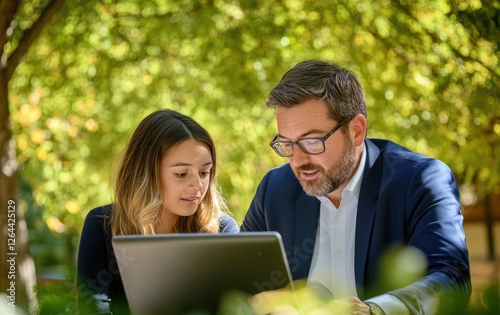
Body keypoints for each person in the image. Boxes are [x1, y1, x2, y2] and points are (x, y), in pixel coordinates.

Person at [241, 60, 471, 314]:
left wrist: (373, 310)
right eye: (287, 143)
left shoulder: (420, 181)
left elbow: (450, 280)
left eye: (312, 141)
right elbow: (238, 283)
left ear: (356, 131)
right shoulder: (274, 189)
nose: (297, 160)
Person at [76, 109, 238, 314]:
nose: (197, 185)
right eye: (181, 174)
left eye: (204, 172)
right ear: (146, 173)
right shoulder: (101, 225)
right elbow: (91, 308)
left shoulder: (222, 230)